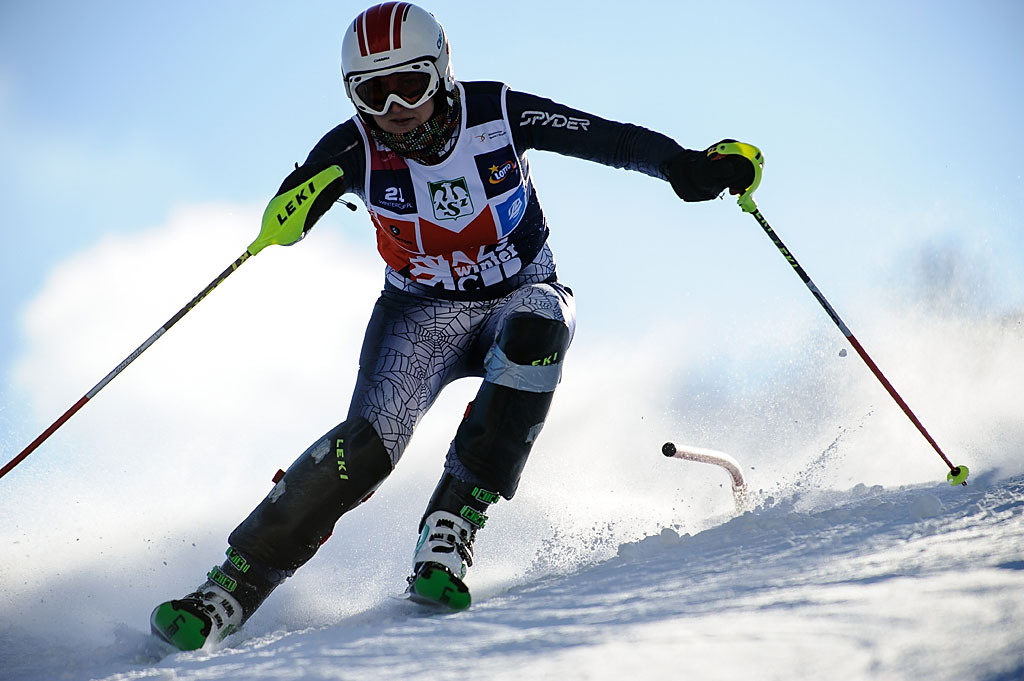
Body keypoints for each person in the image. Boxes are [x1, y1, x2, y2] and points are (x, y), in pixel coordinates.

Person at [151, 1, 759, 650]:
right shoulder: (354, 146)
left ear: (440, 71)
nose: (394, 109)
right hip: (419, 316)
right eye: (372, 92)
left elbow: (609, 139)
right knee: (365, 446)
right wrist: (298, 200)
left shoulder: (497, 112)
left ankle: (451, 524)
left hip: (519, 292)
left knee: (539, 322)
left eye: (409, 84)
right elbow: (290, 212)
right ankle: (229, 589)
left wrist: (685, 167)